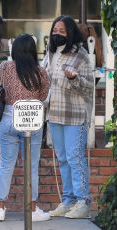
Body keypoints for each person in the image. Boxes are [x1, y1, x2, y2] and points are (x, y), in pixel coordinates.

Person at [0, 34, 50, 222]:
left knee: (5, 164)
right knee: (31, 165)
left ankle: (0, 208)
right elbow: (43, 96)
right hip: (32, 119)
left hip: (9, 117)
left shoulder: (5, 67)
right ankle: (32, 209)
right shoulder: (41, 72)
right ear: (33, 50)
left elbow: (1, 88)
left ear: (14, 50)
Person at [42, 15, 94, 218]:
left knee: (75, 158)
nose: (57, 34)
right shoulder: (50, 53)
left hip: (75, 116)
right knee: (62, 159)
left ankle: (83, 202)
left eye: (61, 32)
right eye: (55, 31)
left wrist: (75, 78)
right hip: (54, 114)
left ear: (70, 33)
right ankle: (68, 200)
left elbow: (89, 86)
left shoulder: (80, 55)